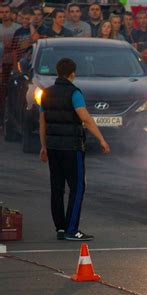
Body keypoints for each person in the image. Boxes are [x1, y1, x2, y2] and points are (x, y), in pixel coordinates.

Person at [39, 58, 110, 241]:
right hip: (72, 147)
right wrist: (101, 139)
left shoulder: (46, 94)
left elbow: (42, 123)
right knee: (78, 187)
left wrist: (43, 146)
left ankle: (60, 228)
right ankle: (72, 229)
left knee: (57, 187)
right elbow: (85, 118)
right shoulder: (74, 93)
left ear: (57, 71)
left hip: (53, 147)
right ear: (73, 74)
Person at [0, 4, 20, 125]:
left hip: (14, 66)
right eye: (2, 12)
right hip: (1, 66)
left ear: (11, 13)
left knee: (13, 95)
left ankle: (11, 122)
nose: (5, 14)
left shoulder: (17, 29)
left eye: (7, 11)